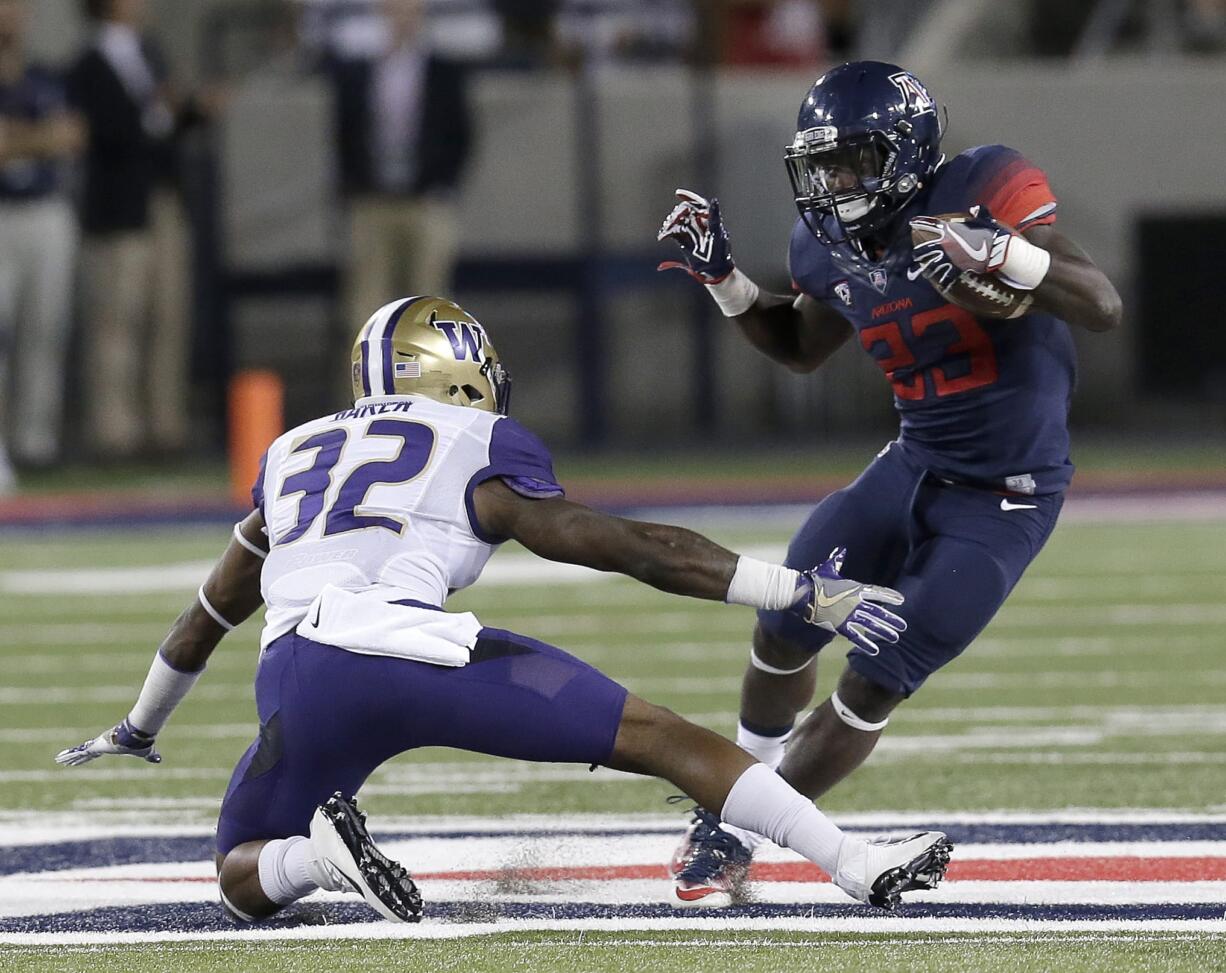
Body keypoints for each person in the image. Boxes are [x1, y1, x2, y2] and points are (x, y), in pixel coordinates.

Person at [55, 295, 950, 922]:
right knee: (667, 739)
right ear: (451, 369)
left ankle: (314, 858)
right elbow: (625, 547)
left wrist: (139, 724)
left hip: (294, 675)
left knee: (241, 871)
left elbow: (205, 617)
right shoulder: (472, 436)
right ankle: (854, 862)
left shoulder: (290, 454)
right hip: (411, 650)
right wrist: (800, 590)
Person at [656, 60, 1121, 906]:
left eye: (852, 162)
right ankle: (742, 780)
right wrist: (725, 280)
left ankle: (740, 828)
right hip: (912, 461)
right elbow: (800, 346)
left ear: (904, 155)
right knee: (788, 614)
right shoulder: (826, 243)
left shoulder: (983, 190)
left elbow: (1100, 302)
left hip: (1004, 496)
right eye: (822, 165)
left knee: (877, 670)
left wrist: (1009, 256)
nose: (833, 185)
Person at [67, 0, 205, 460]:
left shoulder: (152, 53)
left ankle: (165, 427)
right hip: (119, 211)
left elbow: (164, 123)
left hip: (163, 200)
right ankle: (114, 431)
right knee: (117, 320)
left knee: (168, 317)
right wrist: (156, 116)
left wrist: (188, 111)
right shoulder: (86, 64)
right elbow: (108, 132)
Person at [325, 0, 472, 340]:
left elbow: (460, 135)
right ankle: (368, 391)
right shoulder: (362, 70)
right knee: (366, 312)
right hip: (372, 201)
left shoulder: (442, 72)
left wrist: (442, 184)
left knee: (428, 313)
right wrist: (355, 185)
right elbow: (345, 133)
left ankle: (427, 392)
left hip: (426, 201)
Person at [0, 0, 83, 485]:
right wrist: (42, 138)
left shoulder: (43, 74)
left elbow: (73, 135)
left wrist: (20, 140)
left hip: (47, 211)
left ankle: (35, 444)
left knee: (44, 330)